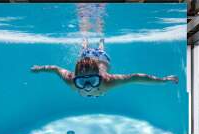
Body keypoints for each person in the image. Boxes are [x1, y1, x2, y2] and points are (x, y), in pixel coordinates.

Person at [31, 39, 178, 97]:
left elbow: (135, 77)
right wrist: (40, 68)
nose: (88, 86)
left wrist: (163, 80)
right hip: (91, 59)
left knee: (99, 50)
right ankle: (86, 42)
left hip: (101, 59)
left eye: (93, 80)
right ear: (75, 78)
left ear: (100, 77)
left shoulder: (108, 81)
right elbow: (55, 69)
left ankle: (100, 41)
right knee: (84, 49)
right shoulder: (71, 80)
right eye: (82, 82)